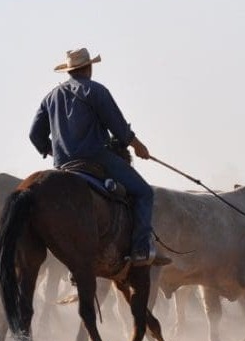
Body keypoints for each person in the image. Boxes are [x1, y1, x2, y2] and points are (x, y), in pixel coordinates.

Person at [29, 48, 157, 266]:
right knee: (144, 193)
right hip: (96, 158)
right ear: (88, 68)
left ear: (69, 71)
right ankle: (139, 248)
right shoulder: (96, 91)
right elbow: (119, 129)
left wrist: (56, 151)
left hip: (63, 166)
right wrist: (139, 147)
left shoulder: (50, 97)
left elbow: (34, 135)